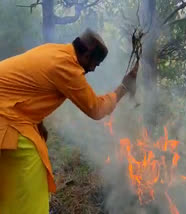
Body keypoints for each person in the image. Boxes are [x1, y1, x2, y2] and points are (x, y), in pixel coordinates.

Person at [0, 28, 138, 213]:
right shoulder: (67, 68)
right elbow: (96, 109)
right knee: (32, 175)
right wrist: (123, 87)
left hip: (9, 114)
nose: (93, 68)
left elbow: (29, 89)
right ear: (87, 53)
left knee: (9, 182)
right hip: (8, 121)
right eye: (95, 63)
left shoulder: (54, 50)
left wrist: (37, 122)